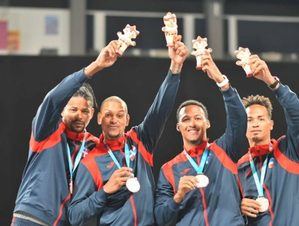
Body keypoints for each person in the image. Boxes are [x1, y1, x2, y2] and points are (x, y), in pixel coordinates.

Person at [67, 36, 189, 226]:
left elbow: (160, 109)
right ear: (99, 119)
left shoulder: (140, 140)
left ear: (127, 119)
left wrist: (175, 68)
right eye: (108, 115)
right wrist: (105, 191)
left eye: (119, 115)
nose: (114, 120)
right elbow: (74, 215)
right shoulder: (90, 161)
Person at [11, 40, 121, 226]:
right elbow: (52, 99)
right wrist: (95, 67)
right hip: (33, 217)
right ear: (62, 110)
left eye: (85, 111)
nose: (79, 116)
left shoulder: (93, 145)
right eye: (73, 110)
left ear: (92, 114)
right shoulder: (47, 130)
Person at [154, 52, 248, 226]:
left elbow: (239, 119)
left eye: (198, 118)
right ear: (178, 127)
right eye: (186, 119)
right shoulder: (169, 169)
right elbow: (160, 218)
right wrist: (178, 196)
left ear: (207, 123)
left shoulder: (224, 149)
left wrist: (222, 82)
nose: (192, 123)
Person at [237, 55, 299, 226]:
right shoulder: (240, 167)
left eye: (261, 119)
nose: (255, 123)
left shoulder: (289, 150)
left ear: (271, 124)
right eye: (249, 120)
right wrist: (238, 207)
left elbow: (296, 113)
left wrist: (272, 82)